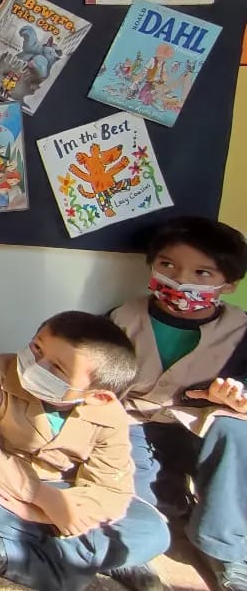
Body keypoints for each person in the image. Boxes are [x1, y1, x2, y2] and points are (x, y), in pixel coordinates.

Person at [0, 311, 170, 591]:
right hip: (1, 479)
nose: (36, 365)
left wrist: (50, 512)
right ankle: (99, 559)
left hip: (67, 489)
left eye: (56, 368)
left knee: (154, 531)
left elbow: (111, 489)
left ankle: (10, 554)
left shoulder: (110, 415)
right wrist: (41, 497)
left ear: (98, 396)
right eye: (36, 348)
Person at [110, 217, 247, 591]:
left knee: (237, 431)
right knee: (142, 496)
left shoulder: (241, 331)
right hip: (137, 424)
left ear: (229, 284)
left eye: (202, 273)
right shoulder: (123, 318)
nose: (180, 280)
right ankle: (138, 539)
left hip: (203, 428)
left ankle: (225, 547)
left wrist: (236, 400)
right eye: (167, 265)